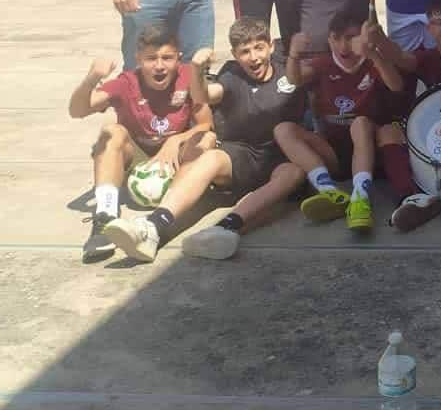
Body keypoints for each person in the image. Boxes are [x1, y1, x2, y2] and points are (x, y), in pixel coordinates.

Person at [102, 17, 308, 262]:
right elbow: (205, 95)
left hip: (280, 156)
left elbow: (303, 79)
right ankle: (153, 227)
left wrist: (296, 53)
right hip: (239, 154)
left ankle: (224, 229)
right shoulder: (231, 74)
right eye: (244, 52)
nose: (253, 57)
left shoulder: (287, 70)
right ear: (235, 54)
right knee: (210, 158)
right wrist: (198, 71)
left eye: (258, 48)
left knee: (293, 173)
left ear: (270, 47)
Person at [69, 24, 213, 263]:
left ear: (179, 57)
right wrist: (92, 78)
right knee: (110, 133)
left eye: (167, 58)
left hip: (177, 157)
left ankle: (158, 221)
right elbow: (77, 111)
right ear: (138, 59)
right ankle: (104, 218)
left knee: (206, 140)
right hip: (138, 157)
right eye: (151, 58)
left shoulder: (188, 76)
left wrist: (174, 141)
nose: (159, 66)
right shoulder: (127, 82)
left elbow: (205, 124)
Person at [282, 13, 436, 233]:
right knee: (284, 129)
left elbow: (396, 85)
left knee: (361, 123)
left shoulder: (372, 60)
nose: (343, 45)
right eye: (337, 38)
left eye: (351, 37)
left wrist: (373, 54)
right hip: (334, 151)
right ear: (329, 40)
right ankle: (329, 191)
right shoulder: (324, 63)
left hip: (370, 145)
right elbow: (294, 79)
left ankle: (360, 198)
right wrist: (294, 54)